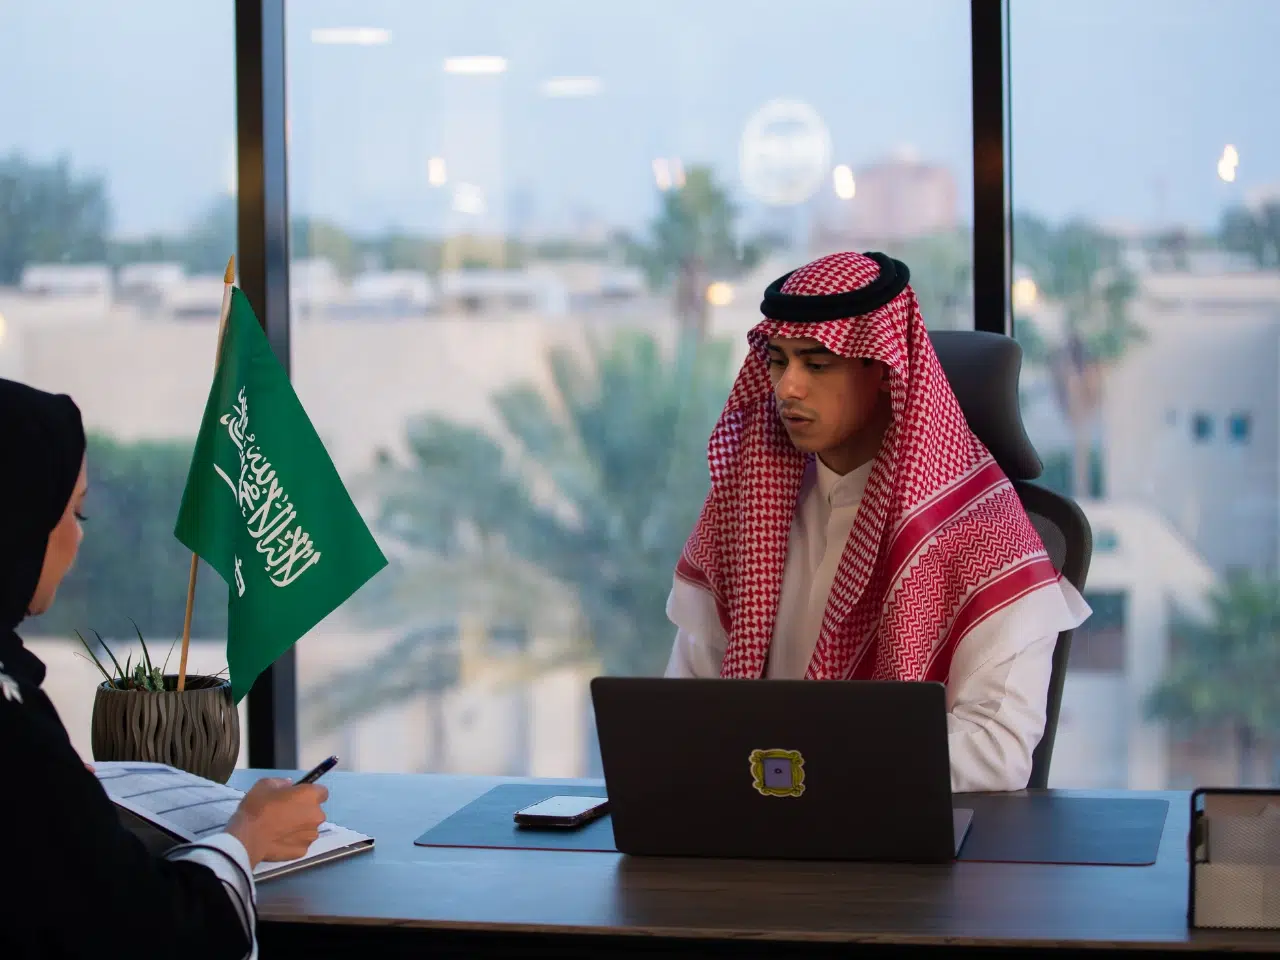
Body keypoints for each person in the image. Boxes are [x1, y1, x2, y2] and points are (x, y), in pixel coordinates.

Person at [664, 251, 1090, 793]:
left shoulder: (984, 528)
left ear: (886, 371)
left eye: (817, 364)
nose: (787, 387)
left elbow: (998, 749)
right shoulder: (745, 507)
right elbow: (686, 701)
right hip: (752, 833)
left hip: (900, 855)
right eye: (777, 361)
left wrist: (833, 760)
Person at [0, 377, 329, 959]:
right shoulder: (13, 730)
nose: (78, 537)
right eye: (72, 510)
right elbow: (154, 933)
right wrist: (249, 837)